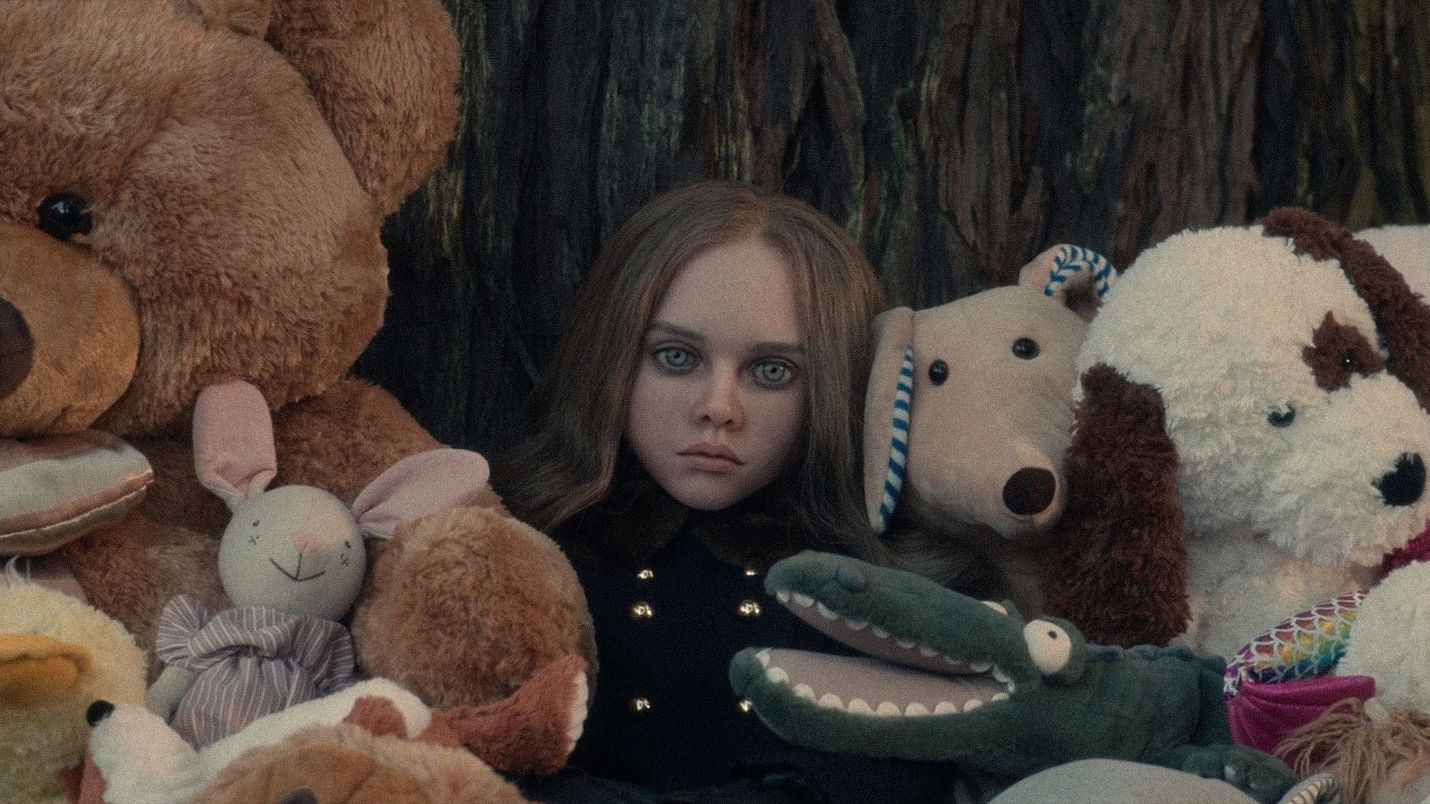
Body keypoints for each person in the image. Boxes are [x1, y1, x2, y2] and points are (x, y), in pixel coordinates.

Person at [495, 180, 954, 802]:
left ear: (833, 385)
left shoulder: (878, 585)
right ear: (612, 355)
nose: (719, 408)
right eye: (676, 357)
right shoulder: (505, 541)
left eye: (772, 371)